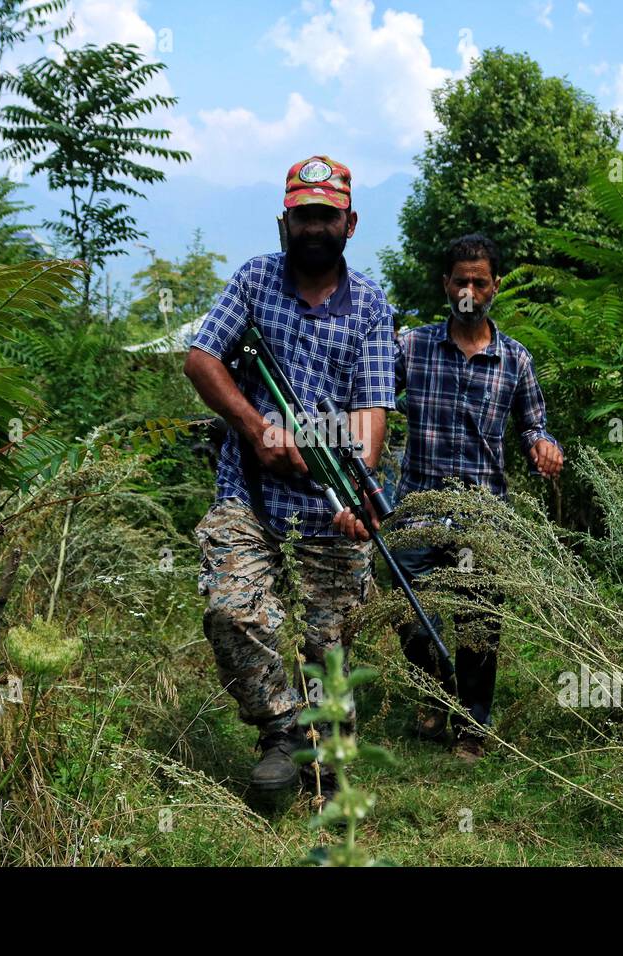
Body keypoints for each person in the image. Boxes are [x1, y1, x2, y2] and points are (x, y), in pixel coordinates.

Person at [182, 155, 395, 798]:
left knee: (326, 655)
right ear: (286, 219)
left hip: (328, 505)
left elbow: (372, 413)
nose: (313, 227)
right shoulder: (252, 280)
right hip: (247, 492)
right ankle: (278, 729)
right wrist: (256, 429)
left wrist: (353, 484)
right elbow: (200, 360)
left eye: (325, 215)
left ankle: (320, 748)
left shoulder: (372, 306)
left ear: (349, 223)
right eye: (303, 214)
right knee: (231, 610)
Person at [392, 233, 564, 762]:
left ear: (495, 287)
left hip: (483, 516)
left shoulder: (515, 360)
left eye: (480, 281)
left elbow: (535, 424)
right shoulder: (412, 347)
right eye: (460, 280)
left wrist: (544, 446)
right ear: (446, 284)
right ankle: (433, 692)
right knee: (410, 613)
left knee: (479, 623)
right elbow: (369, 398)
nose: (469, 290)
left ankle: (472, 727)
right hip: (417, 506)